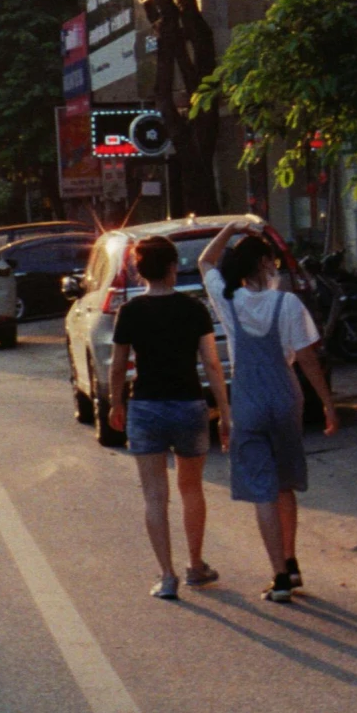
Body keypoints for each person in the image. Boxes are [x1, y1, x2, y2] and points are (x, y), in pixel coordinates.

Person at [197, 222, 339, 604]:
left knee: (262, 489)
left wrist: (230, 227)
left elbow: (204, 260)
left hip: (249, 398)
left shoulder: (229, 300)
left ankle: (278, 576)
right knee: (284, 484)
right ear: (264, 262)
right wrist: (326, 402)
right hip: (285, 395)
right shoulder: (287, 303)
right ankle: (292, 563)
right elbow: (306, 358)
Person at [108, 234, 230, 601]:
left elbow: (118, 365)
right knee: (191, 488)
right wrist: (224, 411)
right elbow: (211, 363)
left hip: (145, 406)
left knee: (154, 496)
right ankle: (195, 565)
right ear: (173, 267)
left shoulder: (129, 311)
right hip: (189, 405)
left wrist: (116, 403)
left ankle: (166, 575)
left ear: (141, 270)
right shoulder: (194, 309)